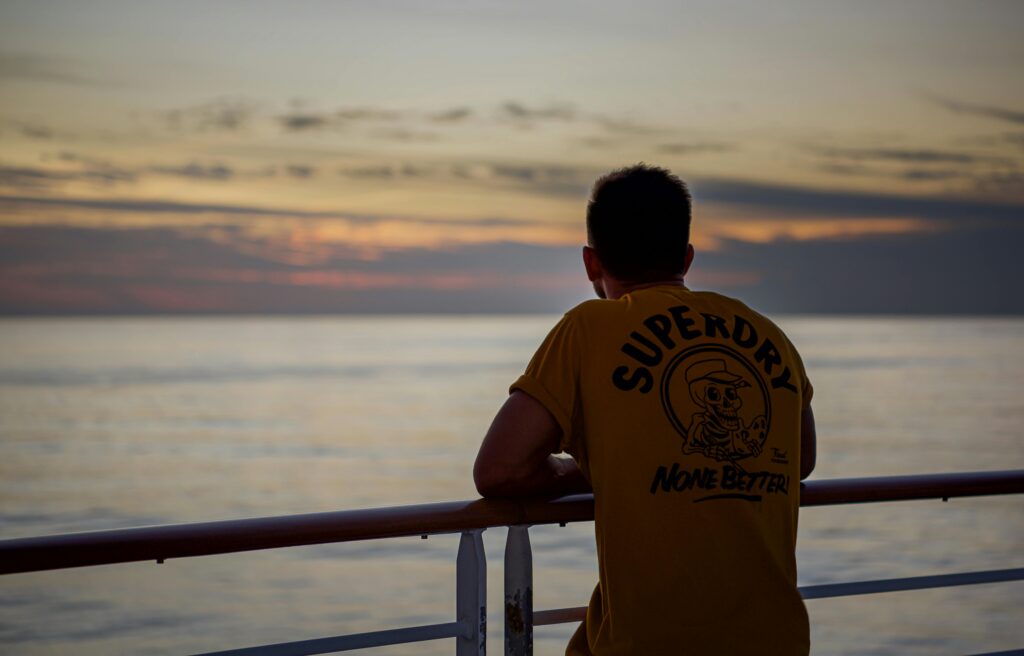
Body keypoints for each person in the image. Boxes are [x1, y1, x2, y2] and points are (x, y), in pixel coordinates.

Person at [473, 164, 816, 655]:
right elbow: (799, 460)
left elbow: (499, 471)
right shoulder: (768, 335)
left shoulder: (588, 328)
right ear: (687, 257)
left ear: (591, 264)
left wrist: (592, 471)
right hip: (777, 640)